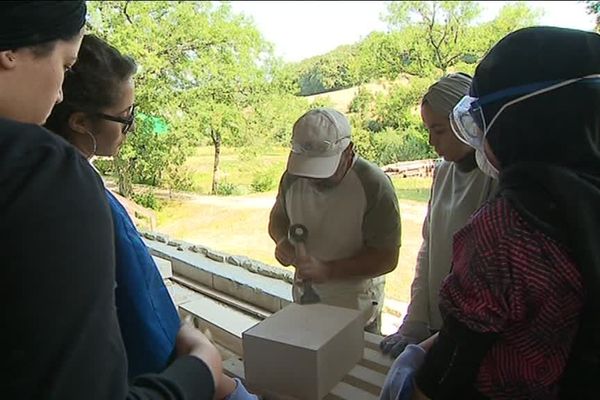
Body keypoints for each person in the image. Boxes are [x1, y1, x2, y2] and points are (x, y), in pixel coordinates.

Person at [0, 2, 221, 399]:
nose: (61, 91)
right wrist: (201, 369)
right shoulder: (45, 177)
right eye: (65, 66)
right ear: (10, 52)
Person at [382, 26, 600, 400]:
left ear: (519, 122)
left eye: (481, 121)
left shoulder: (506, 226)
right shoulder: (583, 196)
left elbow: (453, 363)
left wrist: (416, 376)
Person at [45, 34, 258, 400]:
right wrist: (209, 368)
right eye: (126, 118)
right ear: (80, 122)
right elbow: (149, 326)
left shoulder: (45, 177)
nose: (130, 127)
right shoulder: (89, 204)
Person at [380, 73, 497, 358]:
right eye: (428, 130)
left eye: (439, 130)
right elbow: (427, 249)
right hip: (435, 321)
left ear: (466, 121)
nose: (431, 141)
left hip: (471, 332)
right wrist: (414, 322)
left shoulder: (495, 176)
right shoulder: (443, 172)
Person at [268, 107, 401, 333]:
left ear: (348, 151)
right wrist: (282, 241)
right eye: (307, 169)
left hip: (356, 309)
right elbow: (278, 219)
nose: (313, 179)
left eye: (323, 169)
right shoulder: (292, 178)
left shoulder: (373, 184)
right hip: (306, 303)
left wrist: (328, 270)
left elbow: (387, 258)